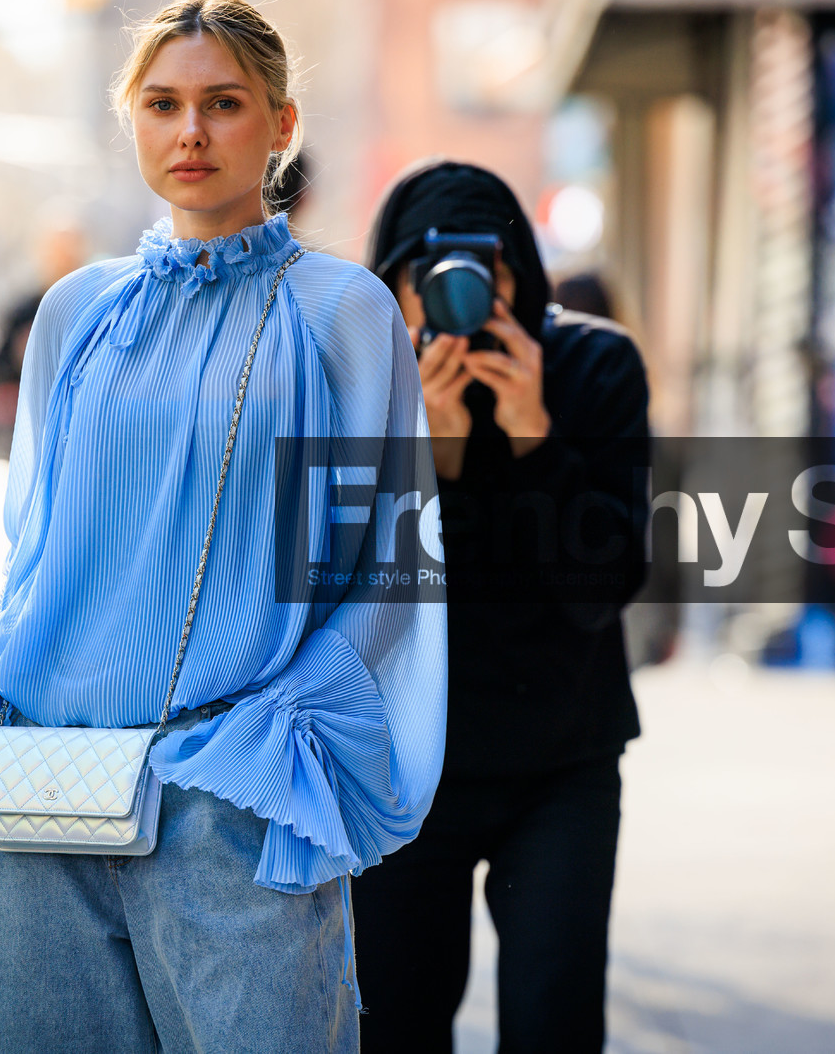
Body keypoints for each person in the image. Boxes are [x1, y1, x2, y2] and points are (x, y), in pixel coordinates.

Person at [0, 0, 446, 1052]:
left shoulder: (340, 311)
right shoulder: (76, 310)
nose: (190, 131)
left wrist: (274, 731)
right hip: (43, 786)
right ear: (131, 119)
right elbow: (38, 545)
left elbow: (388, 564)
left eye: (223, 103)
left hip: (227, 789)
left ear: (280, 125)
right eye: (162, 103)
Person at [352, 160, 650, 1053]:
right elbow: (355, 604)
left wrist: (533, 437)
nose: (460, 301)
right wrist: (427, 461)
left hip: (560, 763)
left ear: (521, 276)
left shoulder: (593, 366)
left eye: (485, 272)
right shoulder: (358, 383)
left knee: (553, 1020)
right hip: (403, 764)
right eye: (429, 275)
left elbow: (605, 590)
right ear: (391, 288)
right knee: (394, 1024)